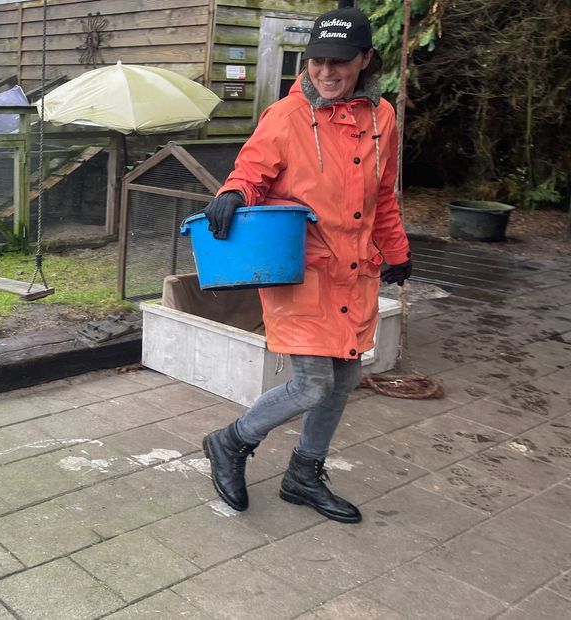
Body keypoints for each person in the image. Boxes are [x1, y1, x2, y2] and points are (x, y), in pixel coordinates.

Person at [199, 5, 412, 524]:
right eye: (317, 61)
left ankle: (303, 474)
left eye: (339, 61)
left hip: (354, 272)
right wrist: (233, 192)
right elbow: (251, 170)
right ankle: (230, 441)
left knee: (343, 380)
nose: (327, 72)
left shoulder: (383, 118)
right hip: (302, 271)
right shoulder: (288, 116)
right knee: (312, 384)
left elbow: (383, 197)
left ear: (364, 59)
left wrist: (398, 250)